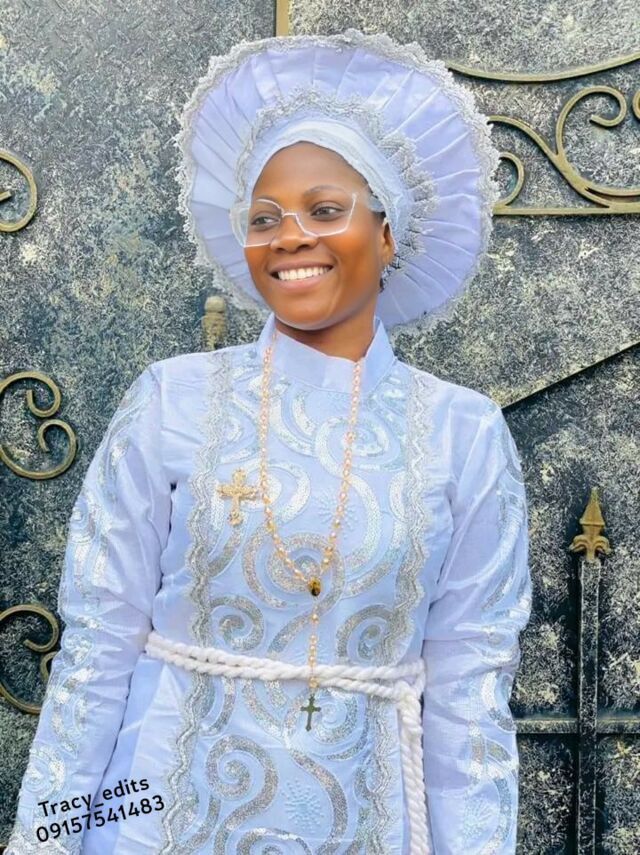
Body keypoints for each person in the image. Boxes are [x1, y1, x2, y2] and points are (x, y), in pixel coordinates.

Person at [6, 28, 532, 855]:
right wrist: (43, 841)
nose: (290, 236)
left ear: (388, 233)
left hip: (366, 826)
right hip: (154, 819)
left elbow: (471, 691)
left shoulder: (463, 435)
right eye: (264, 217)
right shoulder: (171, 401)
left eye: (325, 209)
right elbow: (97, 649)